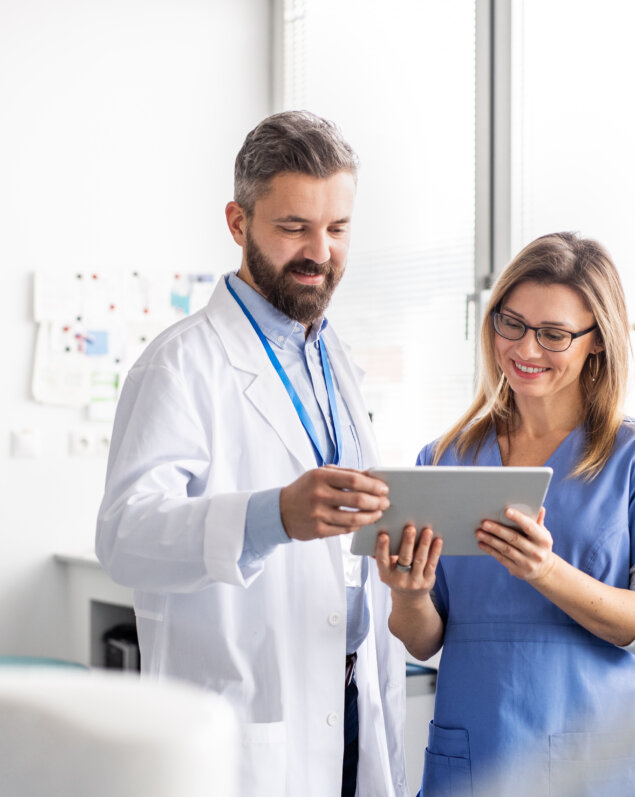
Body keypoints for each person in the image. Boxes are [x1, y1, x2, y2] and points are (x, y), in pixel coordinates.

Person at [96, 111, 407, 797]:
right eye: (294, 226)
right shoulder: (182, 364)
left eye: (337, 228)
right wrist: (274, 516)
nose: (319, 251)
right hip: (249, 727)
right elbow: (124, 536)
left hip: (352, 702)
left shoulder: (336, 362)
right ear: (239, 223)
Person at [374, 232, 635, 797]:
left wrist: (545, 571)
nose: (526, 350)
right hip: (475, 754)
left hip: (598, 759)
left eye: (554, 334)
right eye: (511, 324)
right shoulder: (443, 459)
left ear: (597, 342)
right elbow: (423, 641)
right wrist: (409, 594)